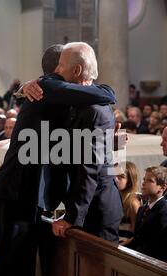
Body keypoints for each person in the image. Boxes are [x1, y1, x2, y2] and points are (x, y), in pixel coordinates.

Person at [0, 44, 116, 276]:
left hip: (23, 196)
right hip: (17, 194)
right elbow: (108, 93)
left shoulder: (51, 90)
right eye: (60, 64)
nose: (58, 68)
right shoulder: (48, 87)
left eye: (62, 65)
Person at [49, 42, 123, 244]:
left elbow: (89, 167)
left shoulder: (94, 111)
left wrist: (72, 217)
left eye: (61, 65)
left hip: (97, 209)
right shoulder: (83, 103)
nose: (56, 70)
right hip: (87, 204)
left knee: (97, 274)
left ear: (77, 70)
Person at [123, 166, 167, 263]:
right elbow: (137, 238)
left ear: (162, 187)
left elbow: (156, 247)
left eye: (149, 181)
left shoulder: (164, 213)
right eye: (144, 179)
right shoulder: (143, 208)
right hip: (139, 255)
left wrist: (129, 255)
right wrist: (121, 247)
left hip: (152, 262)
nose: (143, 183)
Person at [115, 162, 141, 233]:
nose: (115, 179)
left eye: (121, 176)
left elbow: (135, 231)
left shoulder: (133, 203)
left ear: (129, 181)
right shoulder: (112, 196)